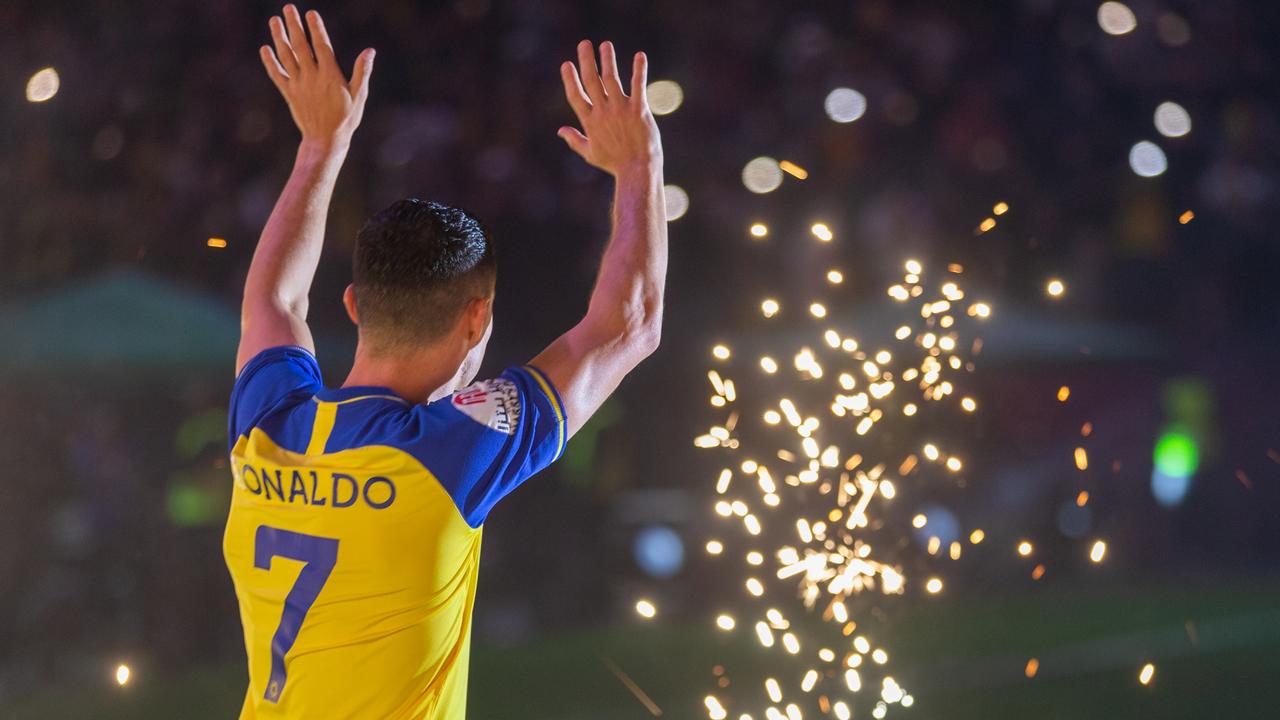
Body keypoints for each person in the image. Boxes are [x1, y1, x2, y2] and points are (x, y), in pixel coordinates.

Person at [222, 6, 666, 718]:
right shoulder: (448, 454)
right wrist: (640, 167)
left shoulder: (269, 424)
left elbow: (271, 300)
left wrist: (319, 144)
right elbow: (630, 325)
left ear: (354, 304)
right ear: (476, 319)